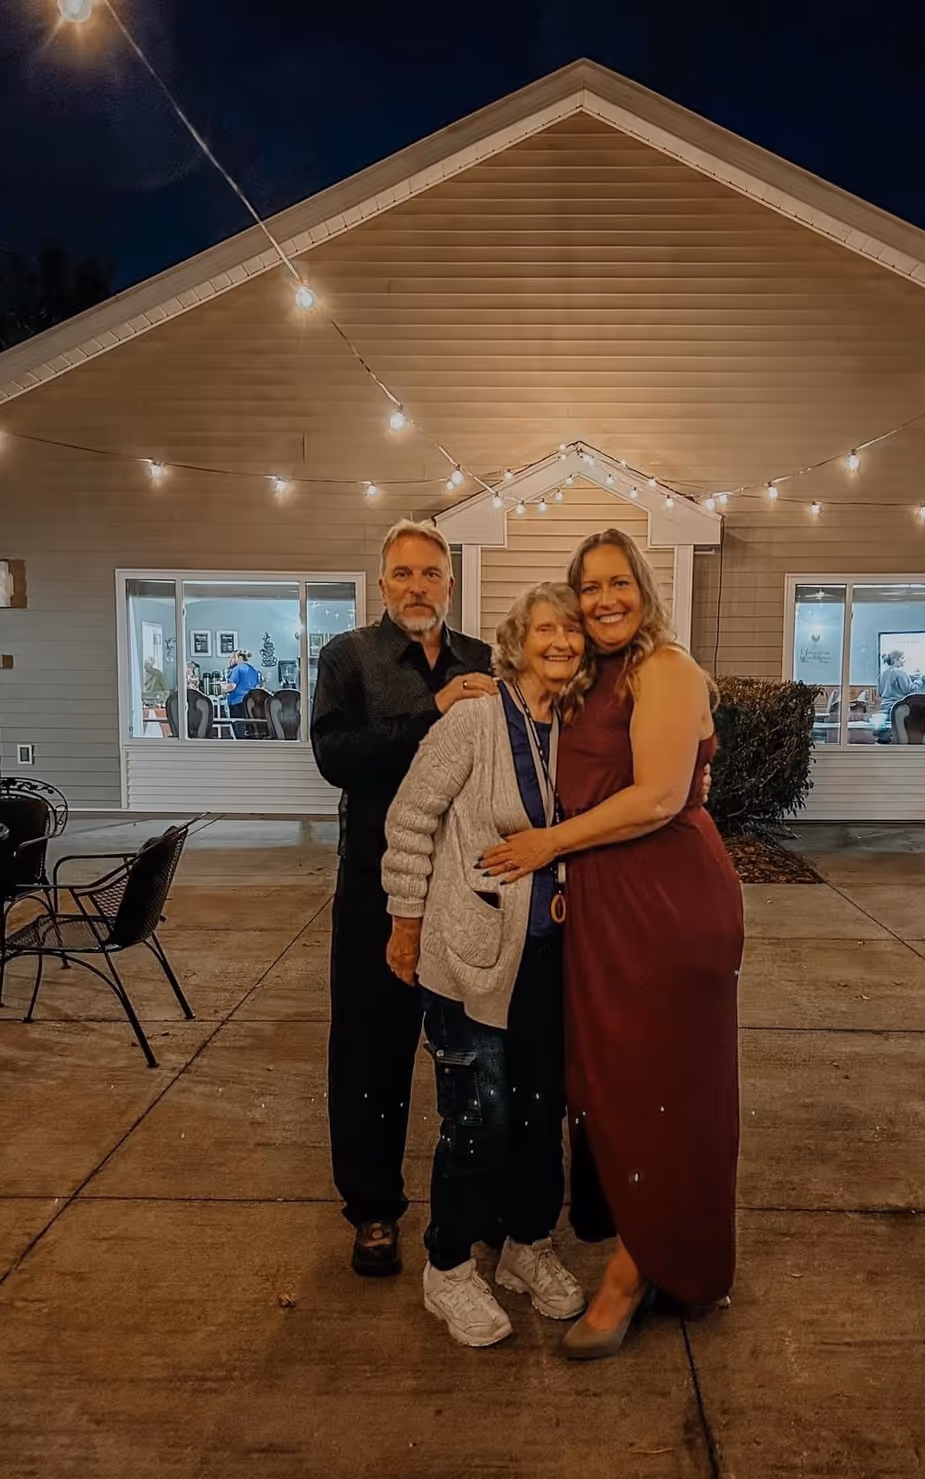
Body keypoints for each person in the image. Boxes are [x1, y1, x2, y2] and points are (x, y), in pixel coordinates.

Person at [482, 527, 743, 1360]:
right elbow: (528, 707)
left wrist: (547, 846)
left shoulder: (664, 668)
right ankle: (662, 1246)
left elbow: (660, 796)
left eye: (618, 583)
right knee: (611, 1082)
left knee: (666, 1086)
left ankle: (636, 1272)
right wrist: (467, 691)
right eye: (588, 586)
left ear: (644, 588)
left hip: (666, 899)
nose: (603, 600)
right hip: (604, 904)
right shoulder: (592, 674)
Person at [382, 584, 588, 1346]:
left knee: (541, 1119)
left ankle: (524, 1247)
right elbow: (409, 820)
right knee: (480, 1120)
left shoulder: (575, 725)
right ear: (517, 640)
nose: (562, 642)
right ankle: (448, 1268)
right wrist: (405, 925)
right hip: (469, 956)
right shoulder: (473, 720)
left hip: (552, 959)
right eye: (546, 630)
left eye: (572, 631)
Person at [311, 519, 494, 1277]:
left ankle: (476, 1204)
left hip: (468, 886)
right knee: (370, 1053)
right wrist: (433, 711)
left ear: (449, 583)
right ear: (381, 583)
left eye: (430, 573)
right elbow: (335, 759)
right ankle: (374, 1210)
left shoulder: (482, 659)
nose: (417, 586)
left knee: (475, 1054)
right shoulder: (348, 657)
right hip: (374, 887)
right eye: (402, 574)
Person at [222, 649, 261, 739]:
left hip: (237, 703)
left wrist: (223, 688)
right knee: (250, 730)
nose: (231, 660)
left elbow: (232, 686)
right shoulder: (254, 670)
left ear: (239, 658)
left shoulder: (237, 669)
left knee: (239, 731)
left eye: (233, 657)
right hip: (251, 704)